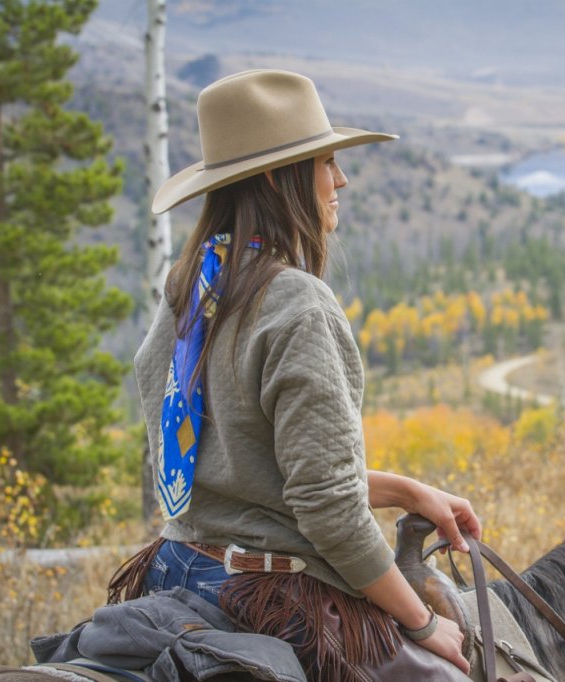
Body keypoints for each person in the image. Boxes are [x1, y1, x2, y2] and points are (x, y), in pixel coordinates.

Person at [110, 69, 480, 681]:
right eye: (327, 162)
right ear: (283, 180)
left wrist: (411, 493)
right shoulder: (296, 305)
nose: (340, 179)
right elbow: (328, 511)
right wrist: (421, 622)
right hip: (269, 596)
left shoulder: (187, 293)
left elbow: (260, 478)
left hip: (175, 568)